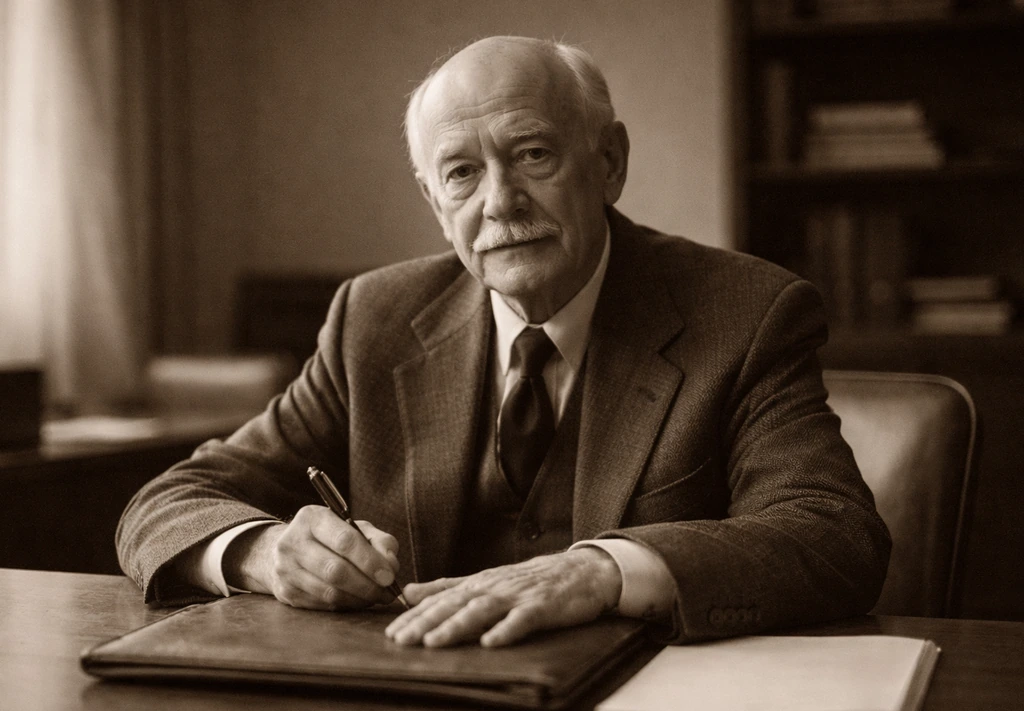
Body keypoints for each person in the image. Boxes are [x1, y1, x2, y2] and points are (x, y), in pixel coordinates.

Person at [116, 36, 890, 648]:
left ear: (609, 162)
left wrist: (600, 573)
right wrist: (261, 551)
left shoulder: (747, 312)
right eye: (461, 173)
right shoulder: (374, 318)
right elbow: (167, 503)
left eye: (532, 155)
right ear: (433, 200)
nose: (501, 203)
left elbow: (833, 534)